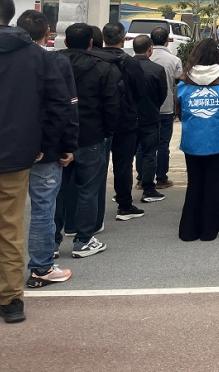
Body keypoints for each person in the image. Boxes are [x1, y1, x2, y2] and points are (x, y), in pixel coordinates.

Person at [0, 0, 72, 323]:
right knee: (10, 233)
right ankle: (12, 301)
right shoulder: (37, 56)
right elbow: (60, 104)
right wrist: (43, 143)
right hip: (16, 159)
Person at [55, 22, 120, 260]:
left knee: (57, 191)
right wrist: (107, 132)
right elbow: (112, 104)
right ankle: (83, 240)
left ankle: (51, 241)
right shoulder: (102, 67)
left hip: (57, 137)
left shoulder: (51, 63)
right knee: (88, 190)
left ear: (65, 41)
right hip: (91, 136)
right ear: (91, 43)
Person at [177, 40, 219, 242]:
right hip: (218, 137)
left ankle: (188, 230)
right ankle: (209, 230)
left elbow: (179, 110)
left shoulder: (184, 81)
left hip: (192, 137)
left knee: (194, 181)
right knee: (213, 181)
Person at [96, 22, 148, 222]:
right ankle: (124, 204)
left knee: (96, 164)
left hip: (98, 120)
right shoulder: (131, 63)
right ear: (123, 39)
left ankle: (93, 209)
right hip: (125, 119)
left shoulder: (95, 59)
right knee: (123, 164)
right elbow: (141, 91)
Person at [131, 35, 168, 204]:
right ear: (150, 49)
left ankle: (123, 192)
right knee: (149, 154)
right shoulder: (157, 69)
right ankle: (148, 189)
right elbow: (162, 94)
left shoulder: (124, 66)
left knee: (125, 156)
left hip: (129, 118)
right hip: (150, 117)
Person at [149, 27, 182, 189]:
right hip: (167, 107)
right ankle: (161, 177)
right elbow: (178, 88)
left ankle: (143, 177)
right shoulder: (174, 61)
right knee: (163, 144)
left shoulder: (142, 58)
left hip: (145, 109)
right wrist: (177, 106)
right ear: (167, 40)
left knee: (144, 144)